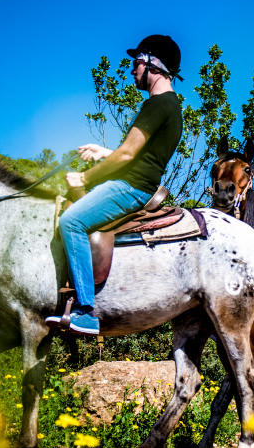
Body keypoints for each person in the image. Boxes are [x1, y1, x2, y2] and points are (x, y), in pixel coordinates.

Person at [46, 35, 183, 335]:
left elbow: (128, 153)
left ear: (153, 65)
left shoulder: (158, 105)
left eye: (137, 63)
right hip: (139, 182)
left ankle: (85, 311)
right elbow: (143, 156)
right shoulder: (172, 107)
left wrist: (84, 178)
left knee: (71, 221)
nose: (132, 70)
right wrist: (103, 152)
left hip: (130, 188)